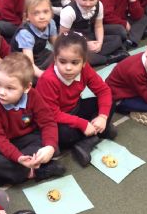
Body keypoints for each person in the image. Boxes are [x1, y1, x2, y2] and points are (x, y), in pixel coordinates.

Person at [0, 53, 65, 187]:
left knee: (54, 144)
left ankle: (3, 176)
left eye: (10, 88)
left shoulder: (33, 96)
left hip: (26, 138)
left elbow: (47, 122)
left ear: (26, 88)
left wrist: (49, 146)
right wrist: (18, 157)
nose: (1, 92)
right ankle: (35, 172)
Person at [36, 32, 117, 167]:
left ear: (84, 62)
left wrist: (102, 117)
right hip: (55, 120)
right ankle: (94, 136)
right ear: (55, 59)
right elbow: (52, 114)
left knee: (111, 102)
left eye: (75, 62)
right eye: (62, 62)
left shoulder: (85, 69)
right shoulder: (48, 80)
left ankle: (90, 137)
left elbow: (103, 91)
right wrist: (82, 124)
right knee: (63, 135)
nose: (68, 68)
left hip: (75, 109)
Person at [60, 0, 126, 67]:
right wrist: (85, 44)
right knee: (75, 55)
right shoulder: (69, 12)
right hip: (74, 41)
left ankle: (99, 54)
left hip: (90, 34)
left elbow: (98, 26)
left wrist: (99, 42)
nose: (88, 3)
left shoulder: (99, 5)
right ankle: (107, 58)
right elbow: (63, 37)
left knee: (117, 39)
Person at [10, 0, 57, 78]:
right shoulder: (25, 33)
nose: (42, 17)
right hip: (23, 61)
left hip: (39, 54)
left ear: (51, 13)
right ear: (27, 16)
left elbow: (57, 46)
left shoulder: (51, 23)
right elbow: (29, 64)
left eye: (45, 12)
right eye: (36, 13)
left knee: (58, 58)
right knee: (26, 76)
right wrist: (45, 77)